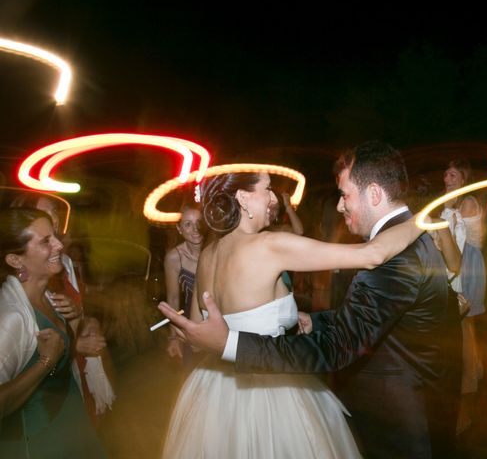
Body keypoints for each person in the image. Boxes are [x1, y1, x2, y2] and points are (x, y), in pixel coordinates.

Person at [160, 141, 463, 458]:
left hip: (213, 393)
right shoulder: (272, 245)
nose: (275, 197)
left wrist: (298, 323)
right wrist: (422, 219)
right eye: (267, 188)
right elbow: (374, 255)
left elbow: (197, 333)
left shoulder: (208, 253)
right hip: (270, 396)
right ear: (242, 197)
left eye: (344, 195)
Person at [0, 208, 106, 457]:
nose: (59, 244)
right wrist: (46, 361)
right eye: (46, 241)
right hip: (41, 442)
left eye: (55, 236)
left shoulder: (48, 296)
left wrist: (77, 323)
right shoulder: (10, 317)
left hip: (71, 423)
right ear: (16, 260)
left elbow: (62, 355)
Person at [9, 192, 115, 423]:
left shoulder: (63, 261)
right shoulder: (18, 300)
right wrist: (75, 345)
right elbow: (37, 341)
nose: (54, 219)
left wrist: (86, 321)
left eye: (55, 212)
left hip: (72, 372)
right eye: (44, 213)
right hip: (52, 389)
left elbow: (75, 314)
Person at [440, 159, 487, 435]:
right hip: (460, 262)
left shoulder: (466, 203)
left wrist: (447, 209)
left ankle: (467, 394)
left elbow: (462, 239)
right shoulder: (454, 203)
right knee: (464, 329)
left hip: (467, 266)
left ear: (464, 178)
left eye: (454, 173)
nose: (448, 176)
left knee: (465, 328)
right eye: (446, 173)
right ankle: (472, 375)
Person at [164, 201, 203, 365]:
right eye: (188, 224)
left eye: (199, 223)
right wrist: (174, 337)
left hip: (222, 320)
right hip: (191, 324)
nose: (195, 229)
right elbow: (173, 299)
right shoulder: (174, 258)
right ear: (179, 230)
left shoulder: (216, 249)